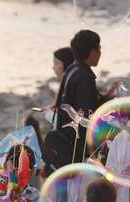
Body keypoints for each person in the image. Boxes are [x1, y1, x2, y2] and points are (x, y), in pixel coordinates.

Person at [44, 30, 119, 169]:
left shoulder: (73, 69)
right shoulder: (85, 77)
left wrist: (107, 97)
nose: (100, 52)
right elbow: (88, 115)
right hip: (77, 147)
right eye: (99, 48)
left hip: (65, 137)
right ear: (92, 52)